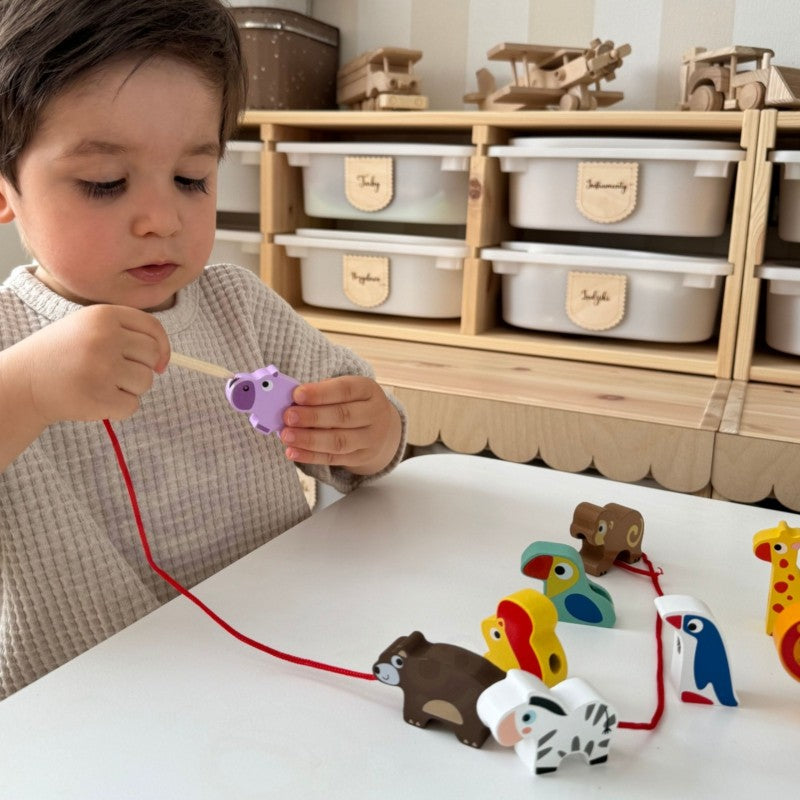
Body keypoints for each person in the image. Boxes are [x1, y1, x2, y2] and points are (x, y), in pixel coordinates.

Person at [0, 0, 406, 700]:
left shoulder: (236, 304)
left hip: (277, 649)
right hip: (88, 701)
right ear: (6, 189)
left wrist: (371, 434)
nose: (162, 220)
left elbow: (367, 436)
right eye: (104, 183)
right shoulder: (10, 339)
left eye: (192, 178)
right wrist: (28, 390)